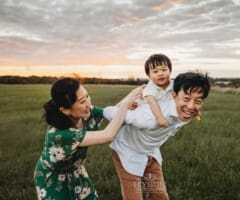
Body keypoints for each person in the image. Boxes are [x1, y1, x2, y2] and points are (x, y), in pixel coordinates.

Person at [104, 72, 210, 200]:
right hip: (127, 150)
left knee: (159, 196)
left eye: (198, 101)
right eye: (186, 99)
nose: (191, 106)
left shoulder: (188, 111)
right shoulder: (148, 118)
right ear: (174, 96)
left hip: (151, 152)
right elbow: (109, 112)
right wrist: (125, 105)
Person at [34, 77, 144, 200]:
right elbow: (108, 135)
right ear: (65, 110)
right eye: (82, 102)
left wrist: (129, 101)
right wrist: (125, 105)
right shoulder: (60, 134)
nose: (88, 104)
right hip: (54, 178)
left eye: (87, 96)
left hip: (76, 171)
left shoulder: (85, 113)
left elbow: (111, 113)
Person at [142, 53, 173, 128]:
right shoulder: (150, 88)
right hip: (149, 112)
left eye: (164, 70)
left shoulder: (174, 84)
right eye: (155, 71)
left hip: (165, 110)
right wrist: (160, 118)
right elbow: (153, 103)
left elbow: (184, 95)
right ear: (149, 75)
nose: (160, 74)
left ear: (170, 71)